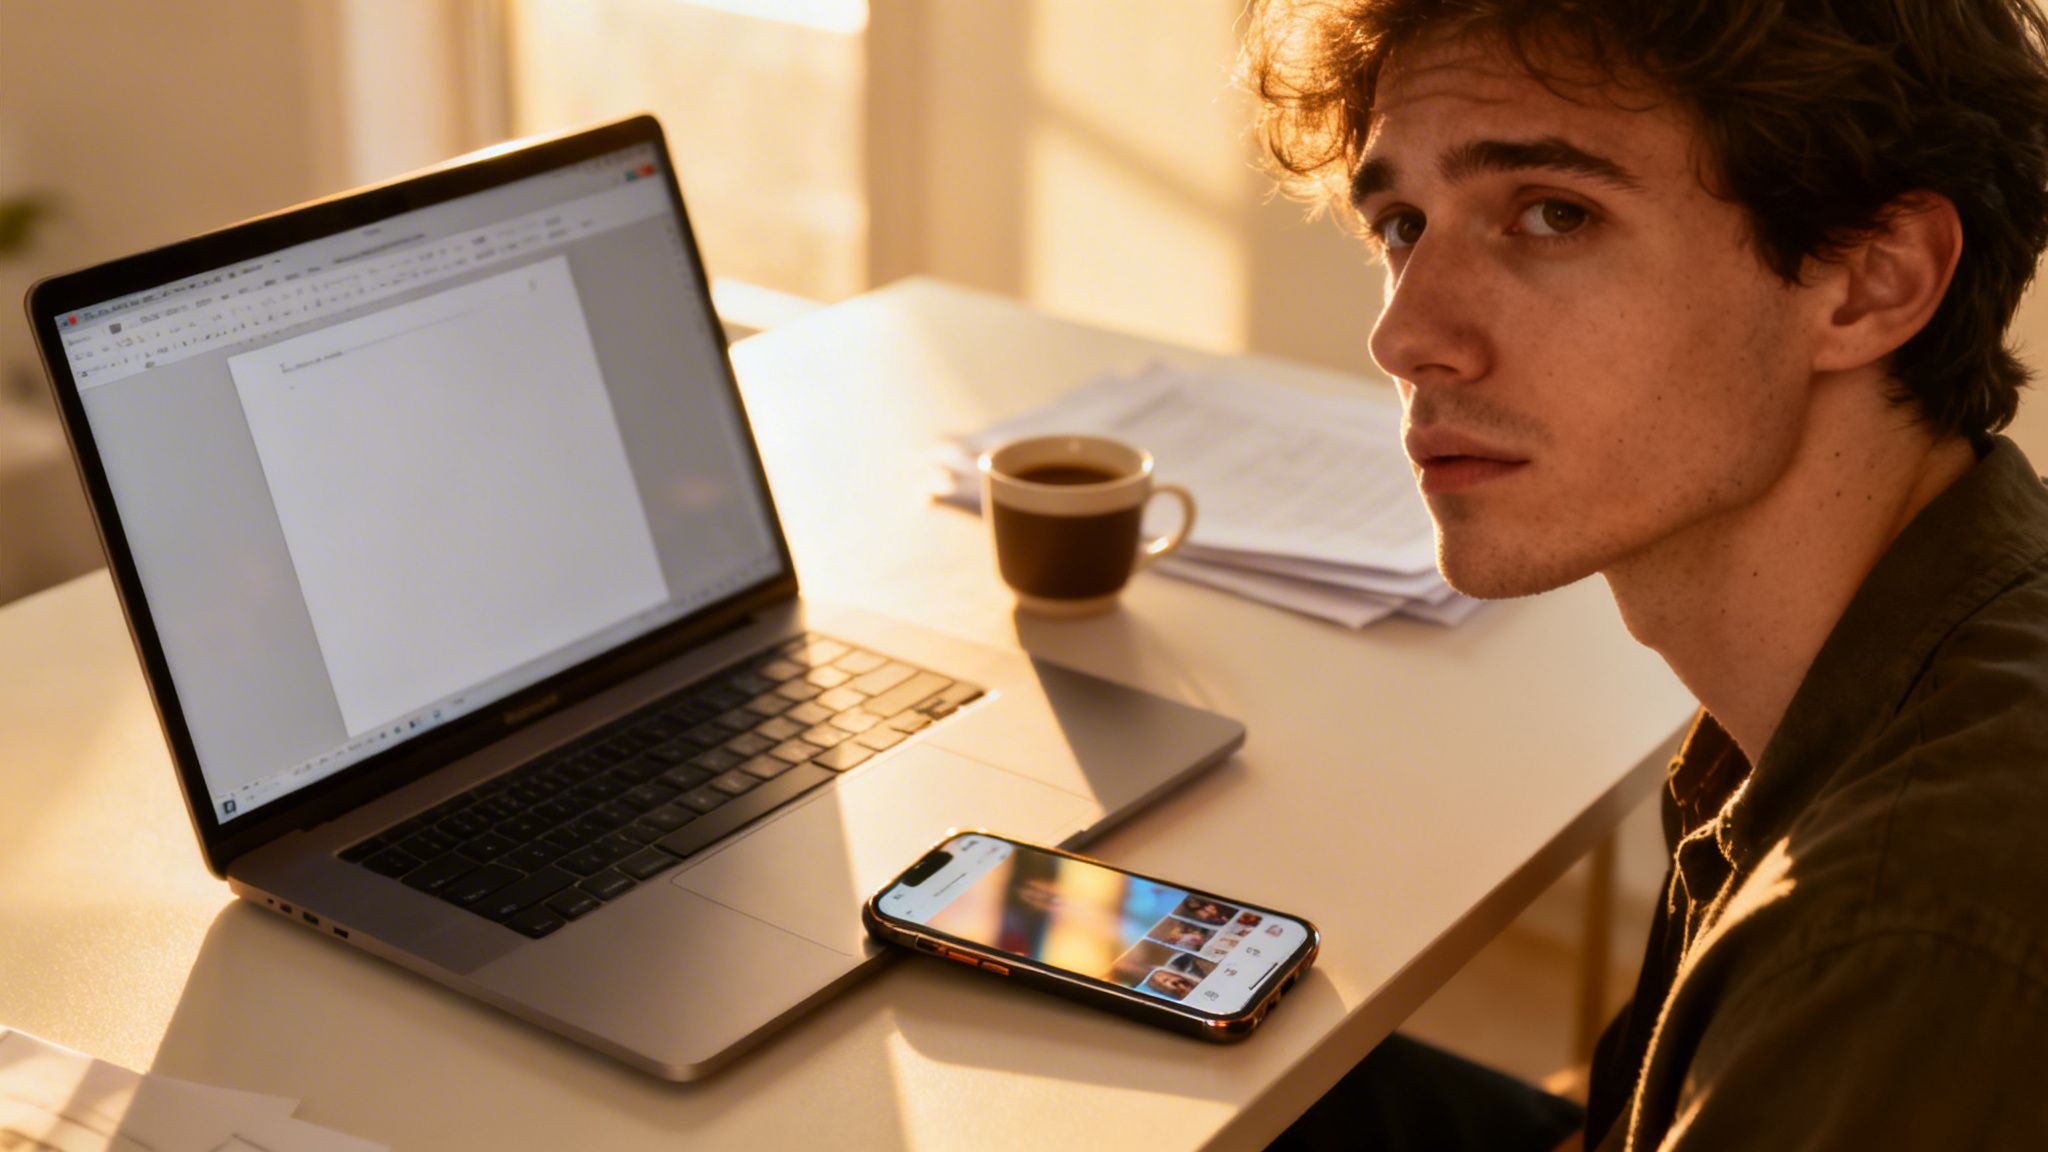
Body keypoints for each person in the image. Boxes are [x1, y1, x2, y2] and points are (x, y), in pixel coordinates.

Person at [1239, 0, 2048, 1148]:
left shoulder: (1896, 939)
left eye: (1551, 214)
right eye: (1404, 225)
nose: (1405, 334)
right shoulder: (1846, 677)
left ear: (1873, 280)